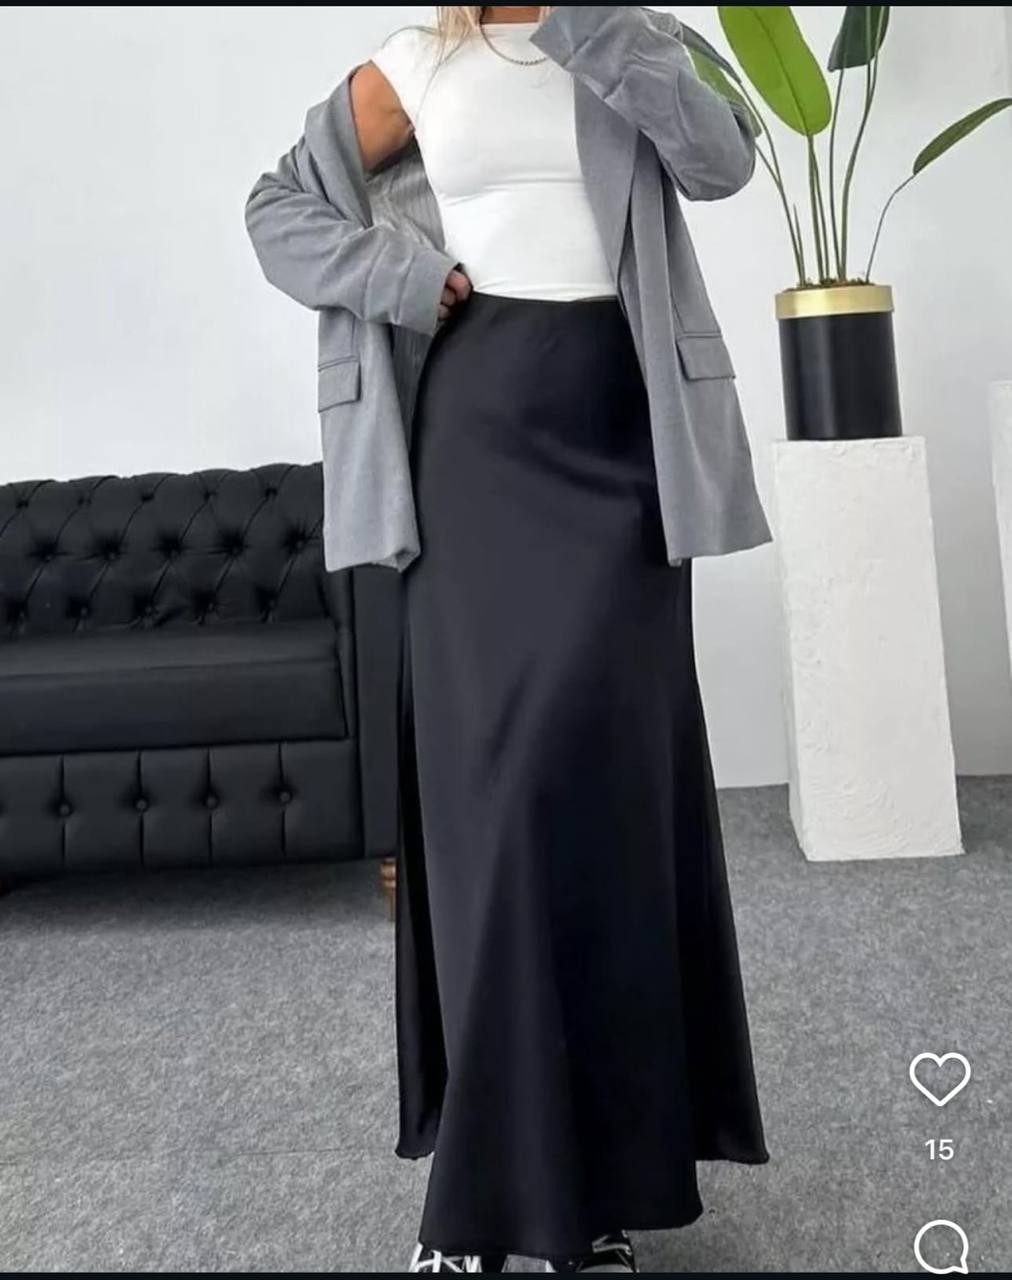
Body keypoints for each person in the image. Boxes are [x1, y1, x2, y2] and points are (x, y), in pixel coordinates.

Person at [246, 6, 771, 1273]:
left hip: (624, 438)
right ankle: (484, 1203)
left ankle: (595, 1195)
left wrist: (598, 27)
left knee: (604, 804)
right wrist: (398, 279)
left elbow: (720, 162)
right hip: (476, 438)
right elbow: (275, 210)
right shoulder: (418, 61)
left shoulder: (633, 35)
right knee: (497, 807)